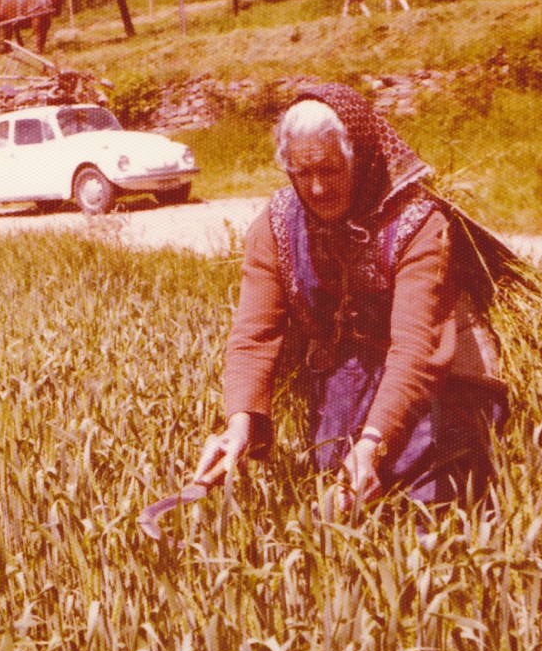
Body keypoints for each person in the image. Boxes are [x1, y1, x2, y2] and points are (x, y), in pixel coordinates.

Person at [192, 83, 509, 516]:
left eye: (330, 170)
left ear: (359, 159)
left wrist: (374, 443)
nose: (318, 188)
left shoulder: (418, 223)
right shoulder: (277, 223)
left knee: (422, 518)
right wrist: (239, 423)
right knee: (339, 511)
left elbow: (416, 350)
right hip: (346, 382)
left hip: (436, 391)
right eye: (302, 173)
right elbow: (254, 335)